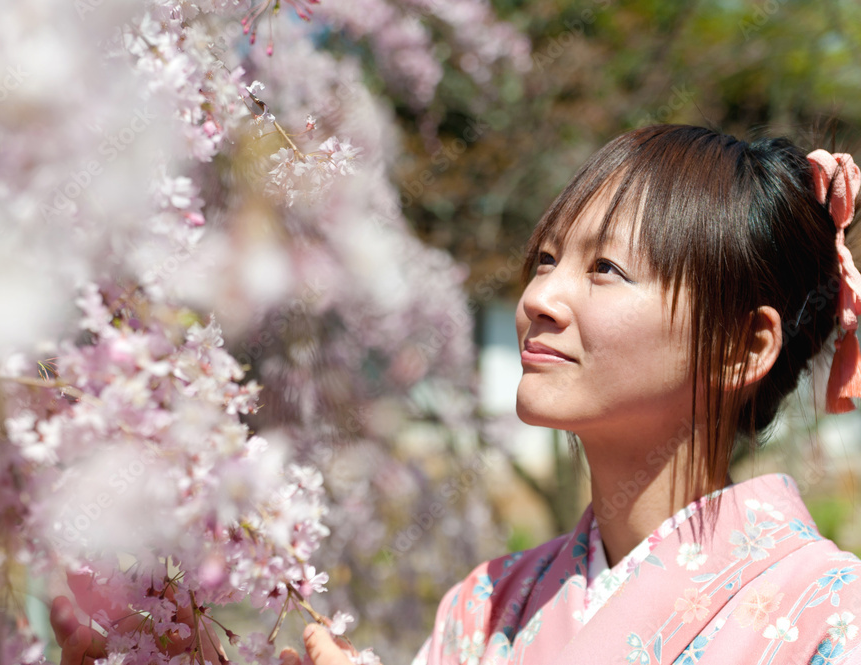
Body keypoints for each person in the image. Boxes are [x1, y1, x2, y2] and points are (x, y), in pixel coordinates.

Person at [296, 124, 861, 665]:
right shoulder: (483, 608)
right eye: (546, 259)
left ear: (741, 346)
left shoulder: (831, 614)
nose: (540, 298)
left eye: (605, 268)